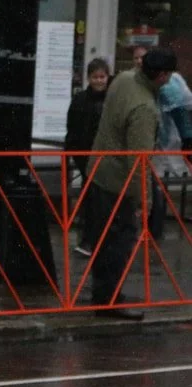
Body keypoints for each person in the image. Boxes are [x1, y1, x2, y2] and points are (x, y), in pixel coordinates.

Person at [87, 47, 175, 320]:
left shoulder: (123, 79)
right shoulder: (144, 108)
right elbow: (139, 161)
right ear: (161, 76)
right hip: (118, 182)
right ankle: (109, 301)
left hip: (98, 170)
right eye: (169, 75)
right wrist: (144, 200)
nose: (170, 80)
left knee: (103, 239)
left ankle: (103, 296)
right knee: (119, 242)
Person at [64, 58, 112, 257]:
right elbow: (73, 126)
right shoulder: (80, 99)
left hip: (106, 158)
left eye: (102, 77)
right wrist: (73, 151)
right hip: (86, 156)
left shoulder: (112, 99)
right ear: (88, 78)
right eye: (95, 77)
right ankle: (89, 240)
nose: (99, 81)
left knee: (104, 201)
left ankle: (100, 241)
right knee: (91, 201)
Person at [149, 69, 192, 239]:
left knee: (157, 185)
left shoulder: (172, 84)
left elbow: (182, 118)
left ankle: (155, 229)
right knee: (156, 184)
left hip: (167, 143)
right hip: (158, 144)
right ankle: (154, 228)